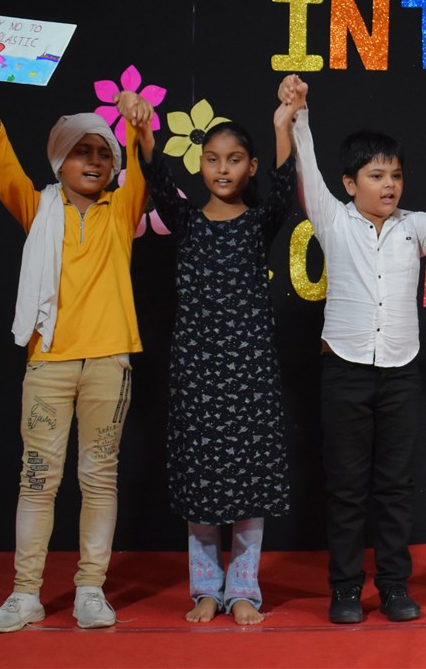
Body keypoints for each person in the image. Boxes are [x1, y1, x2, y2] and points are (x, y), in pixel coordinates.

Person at [279, 74, 426, 623]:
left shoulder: (414, 227)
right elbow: (306, 169)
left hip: (400, 372)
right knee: (345, 488)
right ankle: (345, 590)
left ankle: (393, 587)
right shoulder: (332, 220)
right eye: (376, 175)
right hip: (344, 369)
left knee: (394, 487)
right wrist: (300, 114)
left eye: (396, 176)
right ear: (350, 183)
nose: (389, 185)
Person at [0, 66, 153, 632]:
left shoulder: (121, 210)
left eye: (103, 153)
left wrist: (136, 123)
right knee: (37, 479)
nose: (94, 161)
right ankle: (25, 594)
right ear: (58, 161)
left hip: (109, 363)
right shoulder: (38, 206)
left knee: (99, 479)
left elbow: (144, 162)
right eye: (80, 151)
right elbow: (5, 171)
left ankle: (90, 591)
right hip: (48, 362)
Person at [137, 102, 298, 625]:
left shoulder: (259, 221)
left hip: (251, 370)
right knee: (200, 479)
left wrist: (282, 124)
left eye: (233, 159)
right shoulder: (185, 220)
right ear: (200, 164)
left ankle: (244, 588)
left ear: (250, 166)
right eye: (212, 158)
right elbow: (158, 181)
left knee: (249, 479)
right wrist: (143, 131)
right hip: (197, 372)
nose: (222, 169)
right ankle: (205, 588)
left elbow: (284, 186)